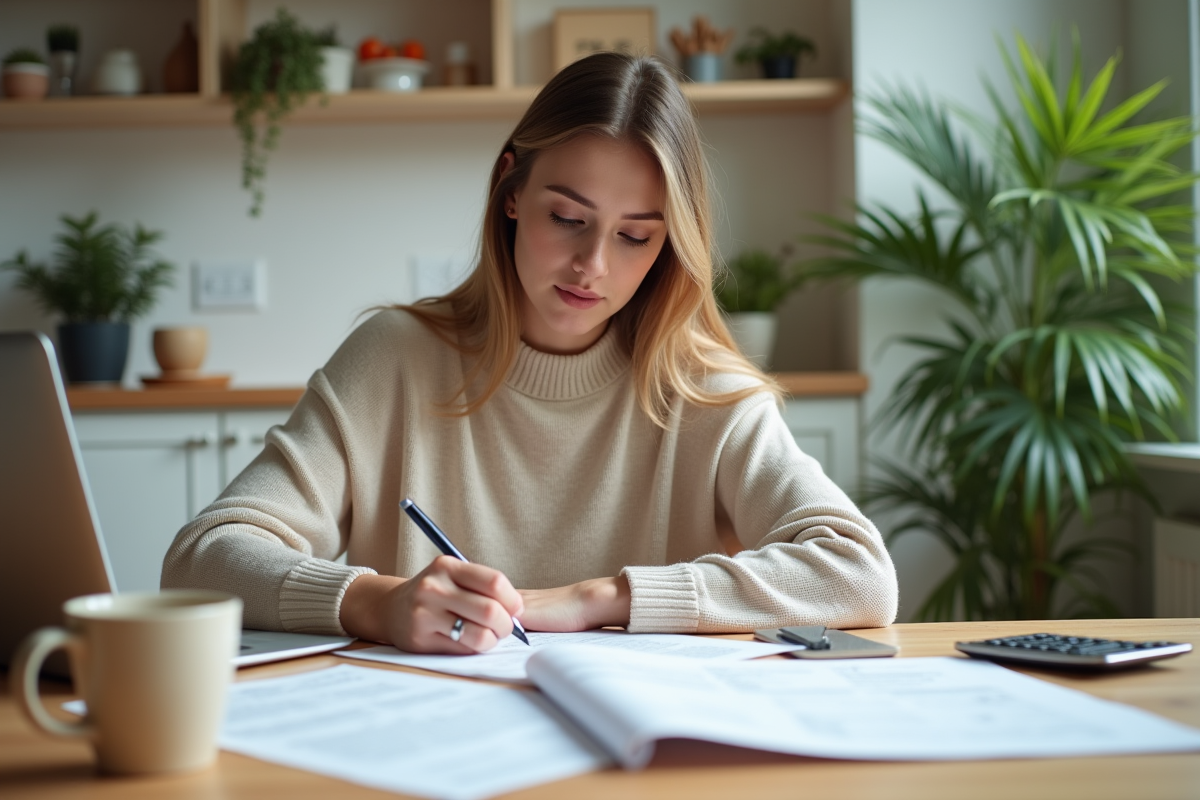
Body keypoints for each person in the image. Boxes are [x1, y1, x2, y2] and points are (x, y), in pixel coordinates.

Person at [162, 52, 897, 654]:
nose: (592, 266)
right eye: (568, 218)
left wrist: (600, 598)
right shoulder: (392, 359)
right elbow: (201, 559)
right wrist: (374, 603)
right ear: (512, 190)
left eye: (635, 235)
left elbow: (860, 574)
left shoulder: (707, 392)